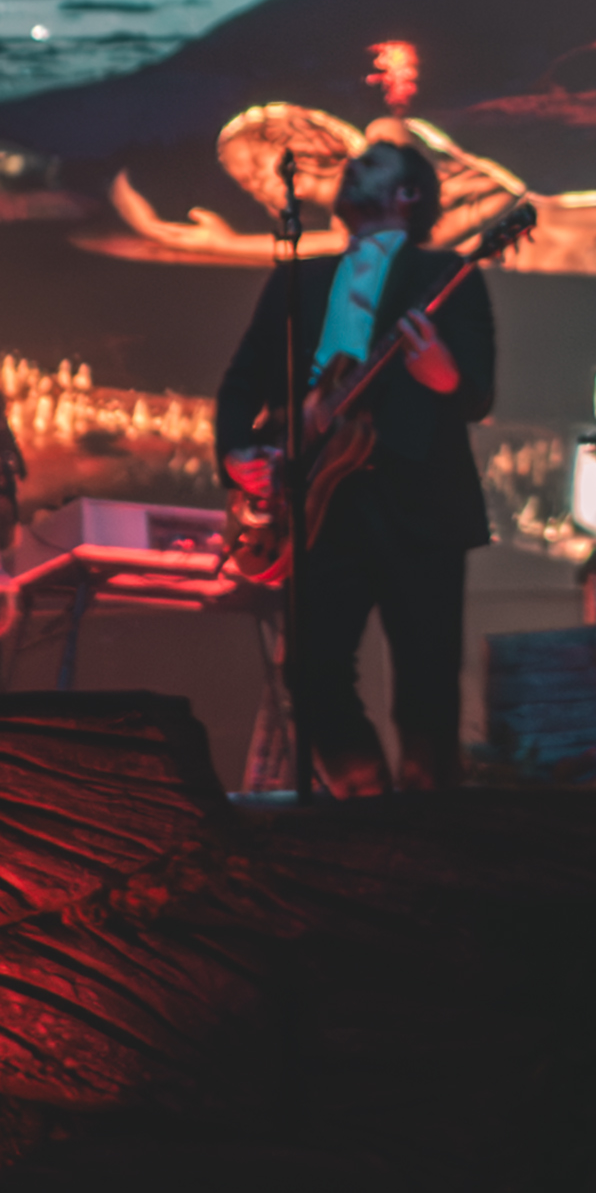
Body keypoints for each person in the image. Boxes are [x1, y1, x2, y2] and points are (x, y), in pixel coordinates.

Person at [215, 140, 500, 794]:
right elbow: (242, 382)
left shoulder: (449, 274)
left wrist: (443, 376)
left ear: (409, 196)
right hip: (318, 507)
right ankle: (363, 804)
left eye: (375, 164)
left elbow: (478, 393)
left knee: (426, 687)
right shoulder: (299, 278)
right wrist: (237, 454)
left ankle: (427, 831)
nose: (355, 164)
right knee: (310, 676)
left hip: (418, 504)